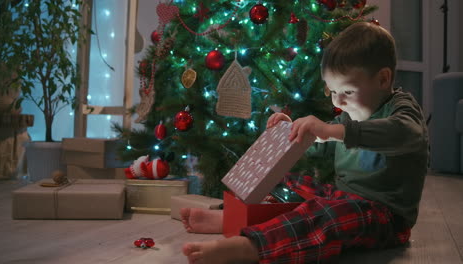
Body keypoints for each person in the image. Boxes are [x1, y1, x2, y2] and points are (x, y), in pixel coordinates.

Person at [180, 22, 429, 264]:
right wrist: (294, 132)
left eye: (348, 91)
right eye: (332, 91)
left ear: (383, 80)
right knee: (288, 182)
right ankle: (237, 219)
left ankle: (251, 246)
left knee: (327, 216)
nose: (338, 101)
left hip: (385, 218)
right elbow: (322, 142)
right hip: (341, 197)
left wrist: (332, 130)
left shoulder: (401, 110)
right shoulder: (349, 114)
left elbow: (405, 134)